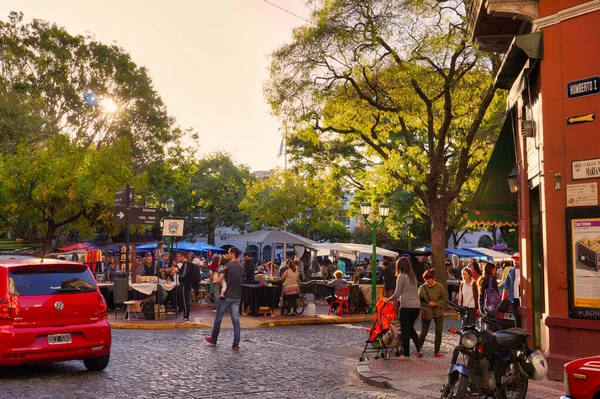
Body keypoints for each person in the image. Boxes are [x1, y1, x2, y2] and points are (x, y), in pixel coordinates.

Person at [206, 247, 245, 350]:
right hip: (237, 296)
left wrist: (223, 285)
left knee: (218, 318)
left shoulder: (227, 266)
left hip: (226, 296)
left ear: (232, 254)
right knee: (235, 320)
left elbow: (219, 279)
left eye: (228, 253)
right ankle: (236, 343)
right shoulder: (242, 267)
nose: (227, 254)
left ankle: (214, 339)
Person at [383, 257, 422, 360]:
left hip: (406, 306)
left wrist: (388, 299)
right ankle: (419, 349)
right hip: (416, 306)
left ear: (399, 266)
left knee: (405, 330)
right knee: (410, 328)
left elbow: (397, 293)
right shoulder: (413, 276)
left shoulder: (402, 276)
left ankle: (406, 354)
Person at [418, 269, 448, 358]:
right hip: (426, 313)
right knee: (424, 332)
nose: (427, 281)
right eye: (425, 279)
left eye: (428, 279)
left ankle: (437, 352)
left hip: (438, 312)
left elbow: (444, 299)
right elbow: (418, 300)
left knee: (438, 332)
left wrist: (436, 303)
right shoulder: (422, 288)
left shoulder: (439, 287)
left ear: (433, 278)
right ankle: (418, 349)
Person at [500, 253, 521, 327]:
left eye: (517, 259)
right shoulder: (511, 271)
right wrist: (503, 299)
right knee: (516, 319)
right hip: (513, 298)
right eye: (514, 260)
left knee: (523, 319)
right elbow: (506, 285)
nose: (516, 261)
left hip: (522, 299)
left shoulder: (525, 270)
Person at [175, 252, 195, 322]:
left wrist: (177, 271)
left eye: (178, 257)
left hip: (185, 284)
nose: (177, 258)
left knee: (185, 300)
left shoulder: (186, 264)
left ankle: (186, 316)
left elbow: (183, 275)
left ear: (182, 256)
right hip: (184, 284)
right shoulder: (185, 264)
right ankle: (185, 315)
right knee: (184, 300)